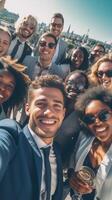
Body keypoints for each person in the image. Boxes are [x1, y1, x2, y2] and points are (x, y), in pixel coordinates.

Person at [0, 74, 66, 200]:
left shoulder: (56, 151)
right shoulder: (12, 134)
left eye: (56, 106)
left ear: (63, 113)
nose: (48, 112)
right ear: (27, 108)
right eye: (41, 104)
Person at [67, 86, 112, 200]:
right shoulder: (85, 137)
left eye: (104, 115)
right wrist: (72, 174)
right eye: (89, 119)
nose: (97, 122)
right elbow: (73, 154)